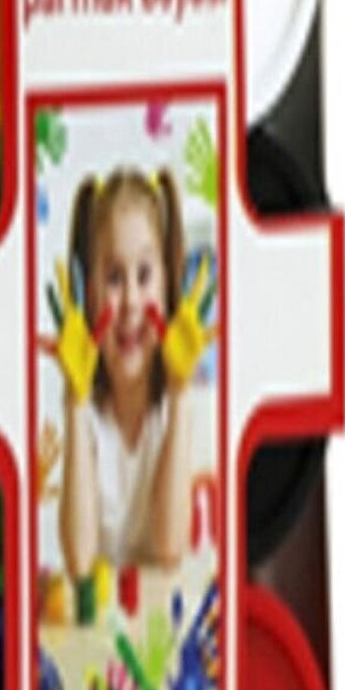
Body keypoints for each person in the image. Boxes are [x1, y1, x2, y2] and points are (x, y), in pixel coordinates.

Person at [44, 169, 216, 577]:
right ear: (89, 294)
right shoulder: (87, 413)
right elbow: (79, 559)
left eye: (144, 275)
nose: (132, 302)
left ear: (168, 285)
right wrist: (74, 402)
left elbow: (170, 547)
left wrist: (179, 392)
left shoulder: (179, 407)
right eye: (114, 278)